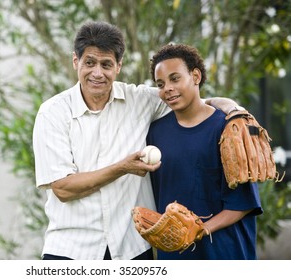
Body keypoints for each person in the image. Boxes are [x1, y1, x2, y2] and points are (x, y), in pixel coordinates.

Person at [33, 21, 242, 260]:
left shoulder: (140, 100)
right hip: (71, 250)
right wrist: (123, 168)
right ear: (75, 61)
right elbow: (63, 188)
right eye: (89, 63)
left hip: (131, 250)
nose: (97, 73)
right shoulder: (52, 113)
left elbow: (193, 99)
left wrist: (235, 111)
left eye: (106, 64)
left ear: (118, 66)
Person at [147, 43, 262, 260]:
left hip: (226, 254)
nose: (167, 89)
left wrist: (200, 229)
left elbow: (243, 204)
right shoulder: (156, 133)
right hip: (175, 257)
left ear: (196, 76)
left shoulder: (228, 129)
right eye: (160, 84)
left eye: (175, 78)